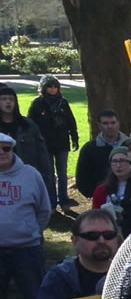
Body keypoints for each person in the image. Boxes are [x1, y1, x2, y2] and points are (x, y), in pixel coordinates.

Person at [0, 129, 52, 299]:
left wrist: (30, 232)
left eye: (6, 149)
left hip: (27, 249)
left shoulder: (30, 175)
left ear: (13, 150)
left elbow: (44, 209)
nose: (2, 153)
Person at [27, 74, 79, 210]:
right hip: (45, 144)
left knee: (62, 174)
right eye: (50, 86)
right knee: (49, 174)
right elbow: (30, 123)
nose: (53, 89)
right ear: (44, 88)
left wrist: (75, 138)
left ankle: (64, 200)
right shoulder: (37, 103)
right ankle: (51, 202)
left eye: (55, 86)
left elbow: (71, 121)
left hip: (62, 143)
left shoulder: (63, 102)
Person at [0, 83, 55, 202]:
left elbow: (42, 153)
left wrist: (45, 179)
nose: (8, 102)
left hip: (25, 177)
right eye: (4, 99)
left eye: (11, 99)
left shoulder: (28, 125)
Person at [75, 110, 130, 202]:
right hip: (102, 197)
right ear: (99, 125)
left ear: (118, 123)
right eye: (105, 123)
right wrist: (95, 193)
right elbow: (82, 177)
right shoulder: (89, 148)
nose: (110, 126)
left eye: (113, 122)